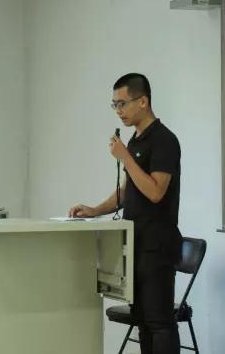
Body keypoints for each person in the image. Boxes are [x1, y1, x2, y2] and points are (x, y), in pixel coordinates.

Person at [68, 73, 182, 354]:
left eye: (122, 104)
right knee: (142, 322)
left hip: (157, 246)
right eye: (114, 105)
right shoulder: (134, 142)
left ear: (142, 101)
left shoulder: (164, 140)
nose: (118, 111)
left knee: (160, 323)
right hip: (135, 243)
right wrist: (94, 210)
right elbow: (127, 190)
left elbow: (155, 192)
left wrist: (125, 158)